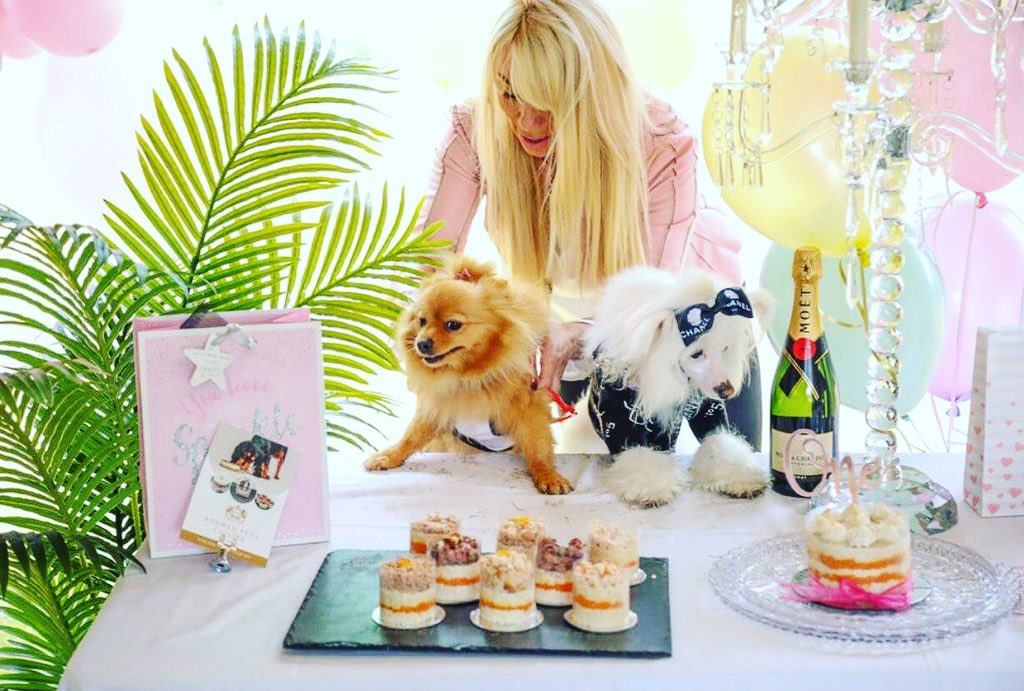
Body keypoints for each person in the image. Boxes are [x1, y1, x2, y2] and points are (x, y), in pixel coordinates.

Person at [417, 0, 762, 450]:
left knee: (732, 485)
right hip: (571, 331)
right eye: (509, 93)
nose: (526, 120)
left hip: (696, 329)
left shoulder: (660, 141)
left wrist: (572, 336)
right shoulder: (473, 130)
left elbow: (656, 296)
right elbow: (427, 265)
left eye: (548, 102)